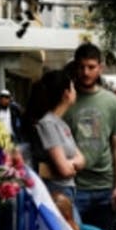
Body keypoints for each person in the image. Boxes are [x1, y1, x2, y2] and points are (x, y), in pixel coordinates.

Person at [64, 44, 116, 230]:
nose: (86, 72)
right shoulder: (66, 98)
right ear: (75, 67)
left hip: (104, 187)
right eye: (81, 66)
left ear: (100, 67)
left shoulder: (111, 101)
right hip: (74, 187)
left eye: (91, 67)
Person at [28, 70, 86, 219]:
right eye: (72, 87)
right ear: (66, 93)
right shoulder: (48, 124)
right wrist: (73, 165)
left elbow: (82, 159)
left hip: (68, 190)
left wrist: (70, 165)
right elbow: (64, 169)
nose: (75, 91)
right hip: (57, 192)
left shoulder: (62, 124)